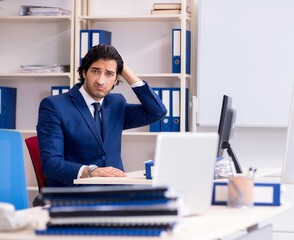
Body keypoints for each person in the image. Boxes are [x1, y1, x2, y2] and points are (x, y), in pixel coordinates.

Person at [37, 44, 167, 187]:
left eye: (109, 74)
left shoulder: (116, 104)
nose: (100, 80)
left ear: (117, 78)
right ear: (84, 72)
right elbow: (51, 164)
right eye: (95, 71)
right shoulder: (54, 106)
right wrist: (91, 171)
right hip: (75, 195)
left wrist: (126, 71)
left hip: (116, 193)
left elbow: (157, 111)